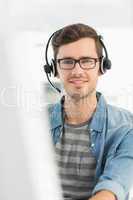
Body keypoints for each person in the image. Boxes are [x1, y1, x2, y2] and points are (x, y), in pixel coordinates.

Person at [44, 23, 133, 200]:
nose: (77, 71)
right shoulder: (33, 124)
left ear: (101, 66)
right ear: (54, 69)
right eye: (67, 62)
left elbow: (112, 189)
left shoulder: (126, 127)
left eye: (86, 61)